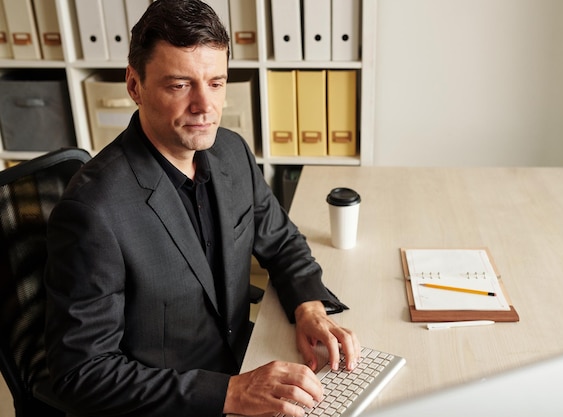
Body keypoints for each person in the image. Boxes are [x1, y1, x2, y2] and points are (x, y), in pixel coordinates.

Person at [43, 1, 360, 416]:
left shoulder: (231, 152)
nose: (204, 106)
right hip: (173, 400)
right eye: (179, 85)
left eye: (216, 83)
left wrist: (309, 309)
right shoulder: (93, 211)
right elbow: (81, 374)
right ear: (134, 85)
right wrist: (232, 393)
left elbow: (281, 241)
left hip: (243, 359)